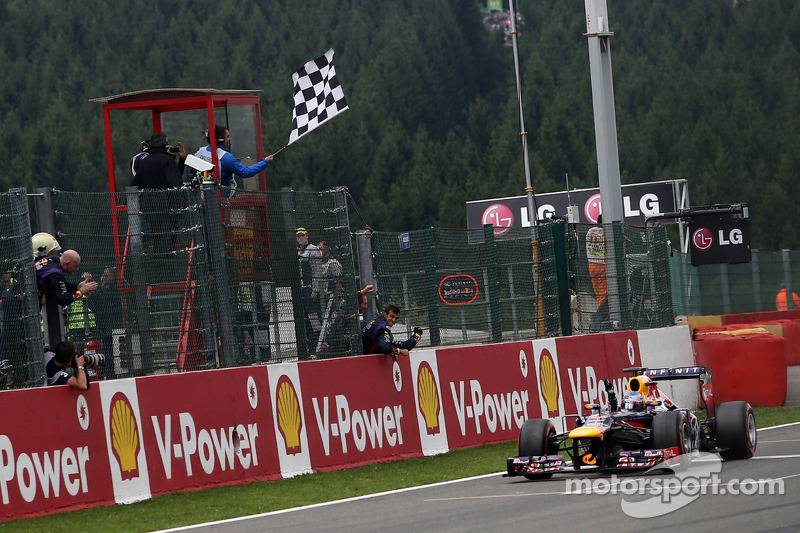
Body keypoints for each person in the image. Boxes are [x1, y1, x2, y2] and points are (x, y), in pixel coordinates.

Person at [193, 125, 274, 198]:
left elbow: (191, 173)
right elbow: (246, 172)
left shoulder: (200, 152)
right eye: (228, 136)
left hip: (200, 197)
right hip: (218, 199)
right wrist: (264, 162)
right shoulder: (225, 157)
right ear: (220, 139)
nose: (230, 139)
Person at [90, 266, 124, 377]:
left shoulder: (115, 290)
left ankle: (115, 372)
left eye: (106, 275)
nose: (103, 277)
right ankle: (109, 372)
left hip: (115, 325)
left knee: (117, 350)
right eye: (103, 275)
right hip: (104, 326)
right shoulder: (103, 290)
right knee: (107, 350)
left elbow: (102, 302)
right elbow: (95, 304)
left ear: (113, 277)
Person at [297, 228, 323, 354]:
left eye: (302, 236)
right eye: (298, 236)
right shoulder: (299, 252)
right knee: (305, 319)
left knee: (314, 318)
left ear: (307, 236)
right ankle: (310, 347)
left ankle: (317, 346)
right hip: (302, 291)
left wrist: (315, 289)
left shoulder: (313, 250)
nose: (300, 238)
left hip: (310, 291)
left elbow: (317, 271)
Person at [1, 270, 26, 387]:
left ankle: (19, 381)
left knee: (18, 356)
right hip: (5, 329)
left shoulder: (15, 290)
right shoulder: (5, 292)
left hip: (16, 329)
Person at [586, 215, 608, 331]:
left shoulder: (590, 231)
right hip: (603, 265)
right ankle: (601, 319)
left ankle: (600, 316)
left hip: (591, 265)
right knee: (604, 294)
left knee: (598, 293)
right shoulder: (606, 233)